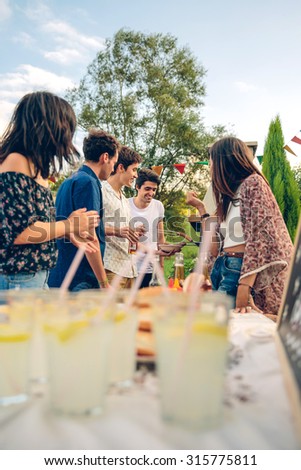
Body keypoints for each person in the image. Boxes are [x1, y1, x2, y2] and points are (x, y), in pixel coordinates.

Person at [0, 91, 99, 290]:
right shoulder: (16, 161)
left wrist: (65, 231)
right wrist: (68, 225)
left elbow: (34, 224)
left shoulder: (32, 164)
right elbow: (20, 232)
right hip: (18, 279)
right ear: (50, 126)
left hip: (34, 277)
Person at [186, 136, 293, 315]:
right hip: (223, 267)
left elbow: (261, 237)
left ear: (224, 160)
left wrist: (244, 285)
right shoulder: (227, 197)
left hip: (240, 269)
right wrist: (201, 208)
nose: (210, 166)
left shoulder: (253, 183)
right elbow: (213, 248)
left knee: (219, 324)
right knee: (221, 328)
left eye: (211, 160)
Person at [48, 129, 119, 291]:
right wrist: (103, 283)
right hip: (80, 278)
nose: (112, 169)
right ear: (105, 157)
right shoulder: (88, 182)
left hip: (61, 273)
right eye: (114, 163)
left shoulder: (68, 181)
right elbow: (89, 237)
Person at [102, 145, 143, 288]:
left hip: (129, 269)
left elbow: (123, 231)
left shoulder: (125, 199)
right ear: (120, 168)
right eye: (134, 169)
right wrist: (117, 230)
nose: (136, 175)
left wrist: (133, 233)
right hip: (110, 270)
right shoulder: (101, 191)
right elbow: (89, 226)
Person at [128, 168, 165, 288]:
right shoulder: (126, 205)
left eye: (154, 189)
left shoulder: (158, 206)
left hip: (151, 267)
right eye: (147, 189)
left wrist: (161, 266)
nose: (151, 193)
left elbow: (161, 238)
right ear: (137, 187)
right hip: (131, 268)